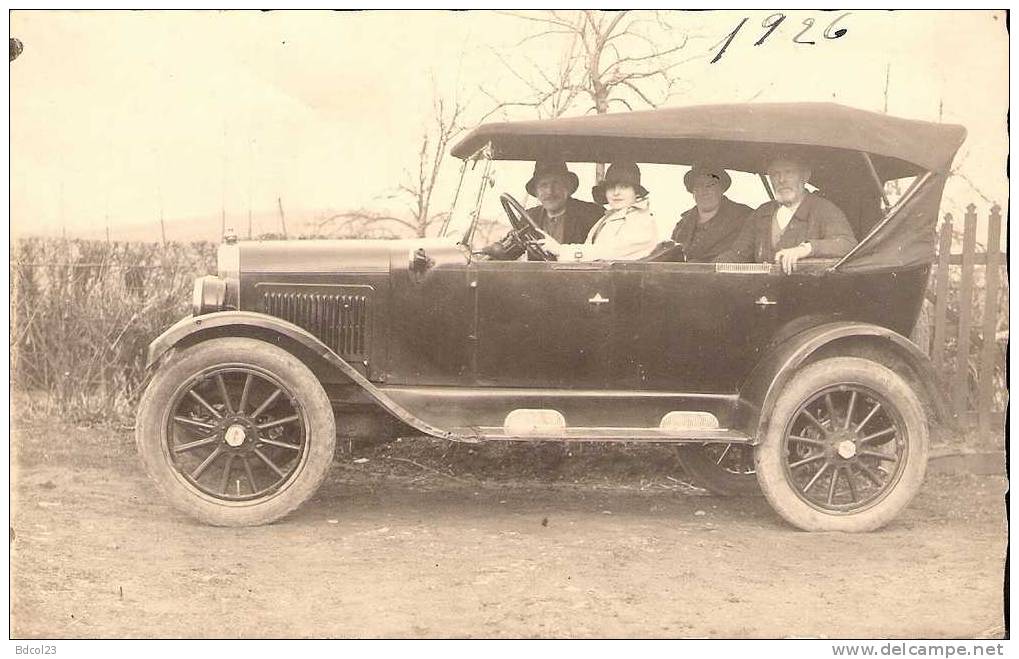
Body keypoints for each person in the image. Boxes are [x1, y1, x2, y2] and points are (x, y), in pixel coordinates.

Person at [716, 154, 858, 273]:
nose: (782, 180)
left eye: (789, 172)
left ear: (805, 176)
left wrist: (806, 249)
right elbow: (737, 254)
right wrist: (707, 269)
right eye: (775, 174)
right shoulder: (762, 213)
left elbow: (848, 245)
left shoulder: (824, 209)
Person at [481, 160, 603, 260]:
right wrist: (487, 254)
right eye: (543, 185)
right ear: (536, 192)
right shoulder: (530, 217)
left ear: (568, 187)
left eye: (556, 183)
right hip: (539, 283)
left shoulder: (591, 214)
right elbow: (509, 249)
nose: (550, 191)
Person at [537, 161, 659, 262]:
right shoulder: (608, 218)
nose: (616, 192)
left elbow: (610, 252)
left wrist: (560, 250)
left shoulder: (642, 221)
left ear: (636, 192)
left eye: (624, 187)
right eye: (611, 187)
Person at [669, 165, 753, 262]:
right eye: (699, 186)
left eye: (710, 185)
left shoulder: (744, 216)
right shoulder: (682, 224)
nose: (704, 191)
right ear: (693, 191)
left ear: (722, 189)